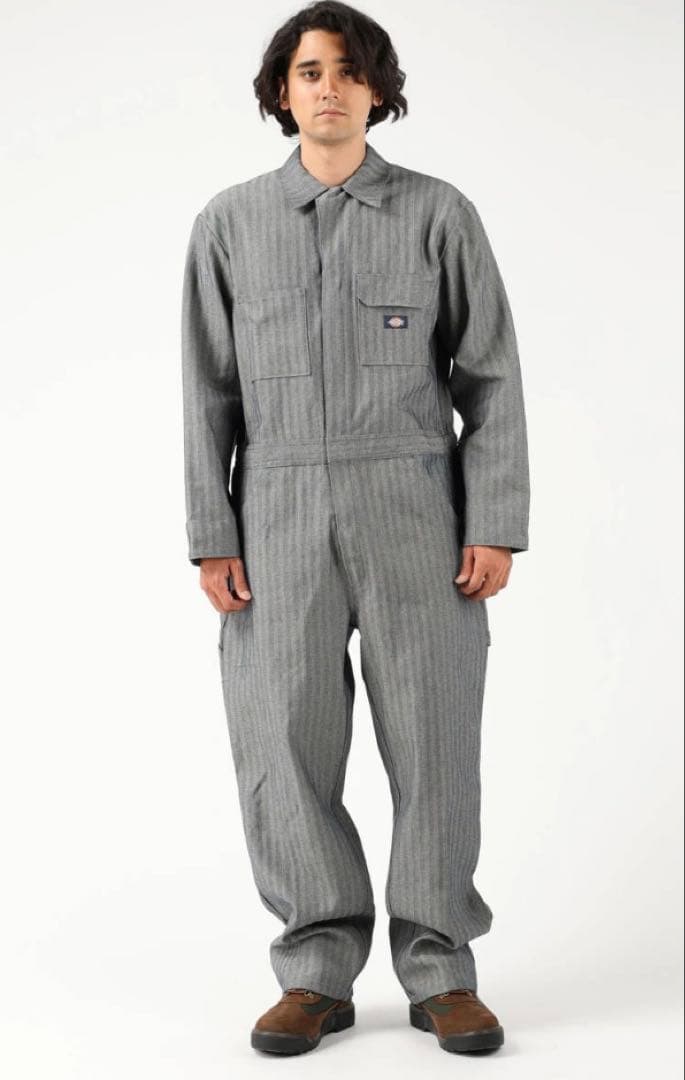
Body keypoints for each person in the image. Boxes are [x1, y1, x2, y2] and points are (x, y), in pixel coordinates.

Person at [181, 0, 530, 1057]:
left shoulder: (437, 214)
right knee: (283, 741)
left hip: (415, 507)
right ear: (280, 93)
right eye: (307, 71)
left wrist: (494, 521)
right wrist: (212, 532)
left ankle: (440, 967)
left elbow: (489, 376)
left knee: (434, 739)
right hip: (274, 511)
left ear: (378, 89)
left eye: (347, 69)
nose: (327, 87)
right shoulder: (231, 224)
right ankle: (315, 969)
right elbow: (206, 392)